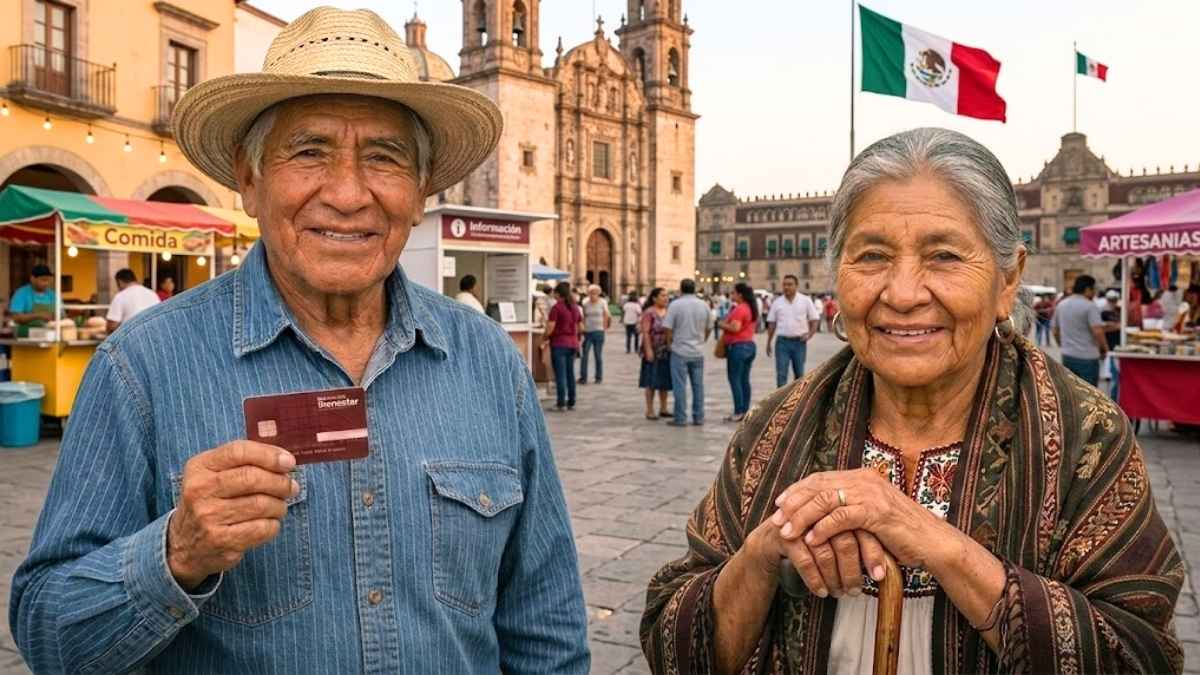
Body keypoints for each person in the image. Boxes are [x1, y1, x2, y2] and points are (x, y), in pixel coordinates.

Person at [10, 9, 589, 673]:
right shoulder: (142, 365)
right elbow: (48, 630)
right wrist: (174, 553)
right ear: (249, 179)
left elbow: (547, 634)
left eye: (385, 157)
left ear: (423, 191)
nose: (347, 194)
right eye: (309, 151)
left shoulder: (489, 362)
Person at [641, 128, 1181, 674]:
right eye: (871, 256)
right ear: (838, 277)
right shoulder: (776, 427)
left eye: (944, 256)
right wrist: (761, 556)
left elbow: (1138, 654)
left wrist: (939, 544)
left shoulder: (1086, 436)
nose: (902, 294)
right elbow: (672, 644)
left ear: (1007, 279)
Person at [664, 278, 710, 426]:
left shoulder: (675, 305)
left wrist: (670, 343)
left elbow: (668, 328)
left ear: (681, 289)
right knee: (698, 386)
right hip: (697, 351)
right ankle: (699, 417)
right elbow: (709, 327)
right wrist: (702, 340)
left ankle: (681, 417)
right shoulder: (704, 305)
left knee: (680, 386)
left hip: (680, 351)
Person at [1052, 275, 1108, 386]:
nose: (1094, 293)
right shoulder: (1090, 306)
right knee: (1089, 394)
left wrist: (1062, 345)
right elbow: (1097, 331)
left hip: (1068, 356)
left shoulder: (1061, 305)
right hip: (1088, 358)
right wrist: (1104, 348)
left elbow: (1054, 330)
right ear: (1087, 289)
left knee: (1072, 392)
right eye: (1093, 290)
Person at [765, 274, 820, 387]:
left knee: (799, 375)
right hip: (782, 343)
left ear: (796, 286)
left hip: (799, 342)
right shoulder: (777, 302)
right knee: (781, 375)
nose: (786, 287)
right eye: (784, 285)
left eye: (789, 284)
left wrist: (809, 335)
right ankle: (781, 403)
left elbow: (814, 319)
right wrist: (768, 342)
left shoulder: (805, 300)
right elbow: (771, 324)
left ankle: (797, 403)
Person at [718, 283, 758, 423]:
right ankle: (745, 410)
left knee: (735, 379)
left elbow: (735, 328)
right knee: (744, 380)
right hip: (749, 346)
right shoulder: (750, 308)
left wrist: (721, 324)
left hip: (738, 347)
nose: (732, 295)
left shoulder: (740, 309)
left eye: (734, 293)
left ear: (740, 294)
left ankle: (738, 411)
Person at [544, 281, 583, 412]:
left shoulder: (556, 308)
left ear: (558, 294)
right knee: (570, 373)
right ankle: (571, 401)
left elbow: (550, 327)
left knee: (560, 374)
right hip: (572, 343)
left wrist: (544, 338)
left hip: (559, 343)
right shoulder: (575, 307)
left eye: (555, 292)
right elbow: (581, 327)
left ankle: (561, 403)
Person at [639, 288, 672, 420]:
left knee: (664, 380)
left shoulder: (669, 312)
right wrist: (648, 349)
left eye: (666, 295)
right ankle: (650, 409)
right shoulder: (649, 312)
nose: (666, 298)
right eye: (663, 296)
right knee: (650, 380)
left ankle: (663, 408)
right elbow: (645, 332)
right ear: (654, 298)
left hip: (665, 350)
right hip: (652, 348)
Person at [106, 268, 162, 333]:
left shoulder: (121, 296)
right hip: (153, 334)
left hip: (131, 337)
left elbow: (112, 325)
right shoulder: (152, 294)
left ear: (120, 282)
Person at [7, 264, 56, 336]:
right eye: (43, 280)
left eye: (48, 280)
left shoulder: (53, 295)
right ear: (32, 279)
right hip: (25, 335)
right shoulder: (21, 293)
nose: (46, 283)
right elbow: (16, 317)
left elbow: (62, 315)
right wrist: (39, 315)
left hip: (50, 334)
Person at [579, 284, 610, 384]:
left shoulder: (603, 302)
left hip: (598, 332)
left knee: (598, 355)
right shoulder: (585, 302)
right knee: (585, 355)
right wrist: (582, 328)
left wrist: (604, 328)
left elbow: (606, 316)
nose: (593, 295)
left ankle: (598, 377)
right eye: (591, 293)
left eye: (595, 293)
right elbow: (583, 316)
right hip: (587, 332)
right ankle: (583, 377)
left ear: (598, 294)